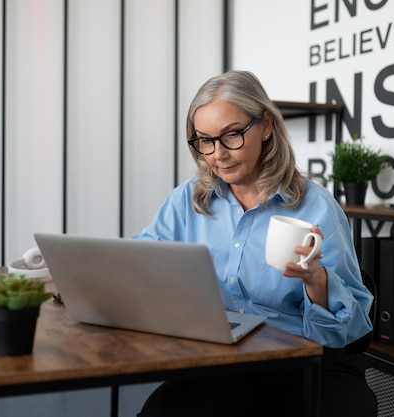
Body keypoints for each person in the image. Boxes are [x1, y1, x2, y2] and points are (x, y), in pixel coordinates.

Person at [134, 70, 377, 416]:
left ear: (265, 126)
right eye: (205, 140)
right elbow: (140, 259)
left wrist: (317, 282)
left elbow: (352, 329)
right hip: (223, 359)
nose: (218, 154)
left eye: (231, 135)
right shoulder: (188, 200)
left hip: (307, 357)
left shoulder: (317, 206)